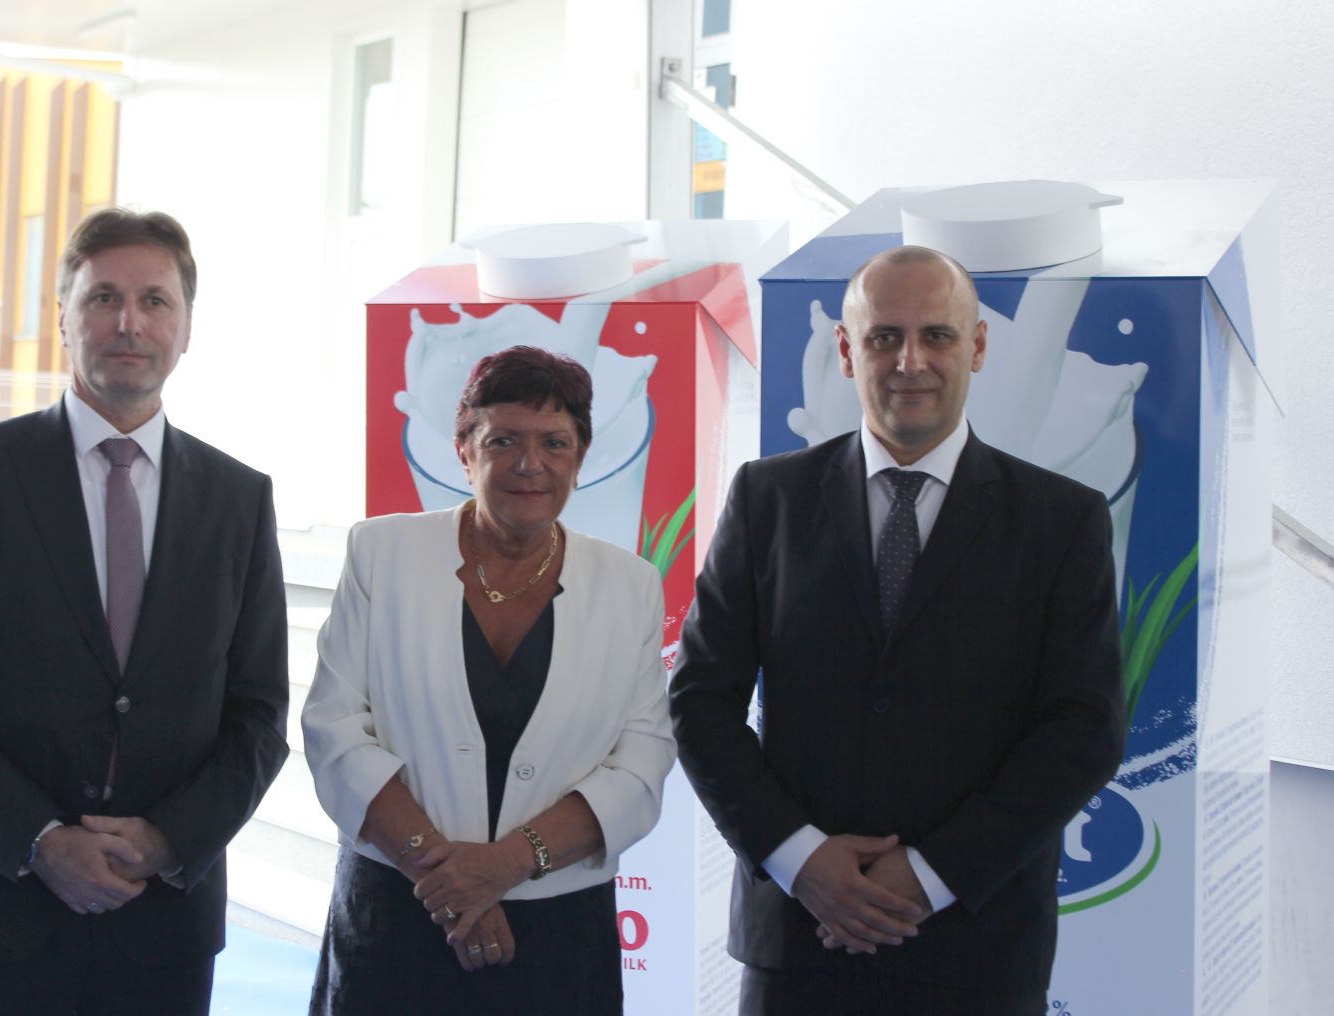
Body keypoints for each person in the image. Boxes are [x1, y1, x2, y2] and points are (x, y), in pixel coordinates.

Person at [668, 245, 1125, 1015]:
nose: (910, 361)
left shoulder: (1062, 520)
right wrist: (800, 859)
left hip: (976, 947)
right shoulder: (765, 501)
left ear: (977, 346)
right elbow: (699, 703)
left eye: (937, 335)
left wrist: (932, 874)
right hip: (799, 941)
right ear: (847, 352)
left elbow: (1084, 731)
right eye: (884, 337)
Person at [0, 207, 291, 1015]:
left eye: (154, 300)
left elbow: (258, 713)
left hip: (161, 923)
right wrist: (40, 842)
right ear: (63, 319)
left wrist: (168, 840)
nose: (129, 322)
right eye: (103, 298)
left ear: (187, 326)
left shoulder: (239, 500)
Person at [301, 345, 675, 1014]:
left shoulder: (632, 586)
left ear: (581, 458)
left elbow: (641, 764)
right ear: (464, 450)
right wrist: (448, 884)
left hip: (557, 933)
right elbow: (335, 732)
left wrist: (501, 868)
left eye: (554, 442)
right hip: (399, 914)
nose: (530, 464)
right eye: (502, 440)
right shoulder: (381, 553)